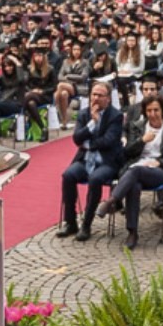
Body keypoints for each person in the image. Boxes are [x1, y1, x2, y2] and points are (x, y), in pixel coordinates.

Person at [95, 94, 163, 250]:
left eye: (156, 110)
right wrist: (142, 140)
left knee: (135, 172)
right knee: (134, 185)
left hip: (160, 171)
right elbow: (126, 153)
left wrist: (160, 162)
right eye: (149, 110)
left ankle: (111, 201)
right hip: (136, 168)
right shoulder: (137, 126)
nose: (153, 114)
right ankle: (132, 231)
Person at [56, 81, 123, 242]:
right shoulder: (84, 114)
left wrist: (88, 144)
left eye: (100, 95)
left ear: (108, 98)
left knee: (95, 179)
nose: (96, 98)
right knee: (68, 175)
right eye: (93, 94)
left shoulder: (116, 116)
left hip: (106, 162)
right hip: (85, 160)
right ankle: (70, 222)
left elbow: (109, 141)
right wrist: (92, 123)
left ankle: (86, 224)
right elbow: (77, 138)